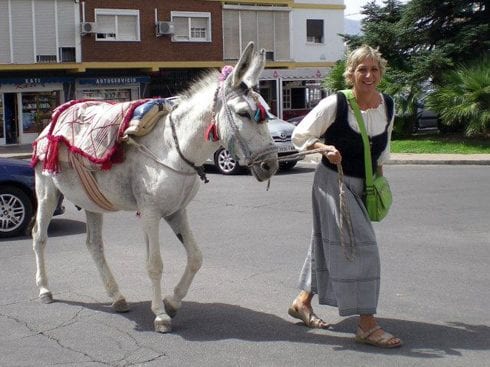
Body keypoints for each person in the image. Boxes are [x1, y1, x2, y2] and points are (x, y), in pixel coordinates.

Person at [288, 45, 402, 348]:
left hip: (364, 185)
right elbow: (299, 137)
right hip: (332, 182)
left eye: (374, 69)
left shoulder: (388, 105)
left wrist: (375, 188)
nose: (368, 74)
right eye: (361, 69)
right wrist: (324, 148)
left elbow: (383, 150)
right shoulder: (335, 104)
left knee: (327, 244)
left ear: (381, 73)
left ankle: (302, 302)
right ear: (350, 74)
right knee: (362, 250)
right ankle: (366, 325)